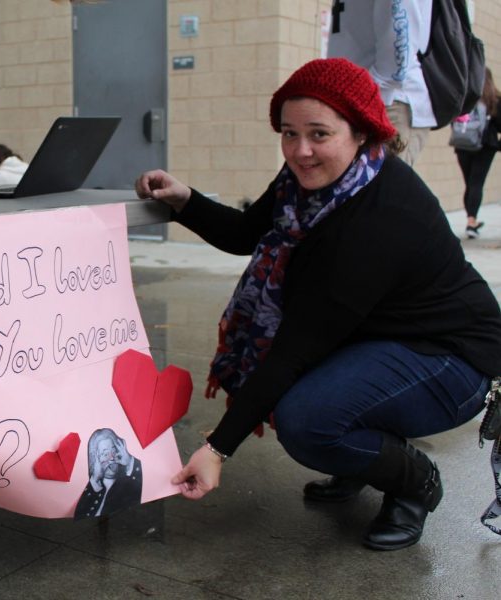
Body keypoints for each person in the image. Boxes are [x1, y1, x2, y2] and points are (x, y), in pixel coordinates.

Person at [136, 58, 501, 551]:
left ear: (360, 132)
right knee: (316, 397)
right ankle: (361, 458)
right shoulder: (306, 184)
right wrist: (184, 200)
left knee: (307, 420)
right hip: (381, 336)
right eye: (288, 133)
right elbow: (247, 233)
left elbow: (295, 348)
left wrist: (217, 449)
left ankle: (414, 481)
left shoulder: (378, 216)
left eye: (319, 134)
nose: (300, 150)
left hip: (452, 361)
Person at [327, 0, 435, 166]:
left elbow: (396, 54)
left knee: (381, 189)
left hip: (387, 101)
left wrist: (366, 91)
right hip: (359, 101)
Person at [455, 67, 501, 239]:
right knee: (476, 183)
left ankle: (470, 218)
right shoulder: (494, 99)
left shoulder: (467, 97)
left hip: (463, 145)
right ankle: (471, 221)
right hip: (485, 147)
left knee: (469, 184)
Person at [74, 428, 142, 518]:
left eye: (114, 451)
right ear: (94, 460)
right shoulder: (94, 486)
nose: (112, 458)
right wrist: (94, 480)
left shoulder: (128, 483)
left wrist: (129, 461)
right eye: (105, 454)